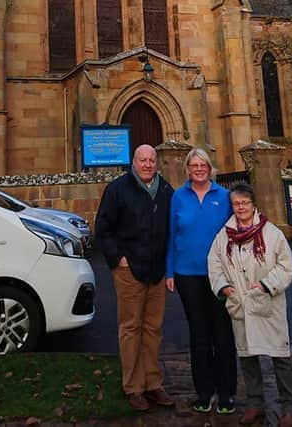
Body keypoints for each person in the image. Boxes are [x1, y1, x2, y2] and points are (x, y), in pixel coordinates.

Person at [208, 183, 292, 427]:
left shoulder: (271, 233)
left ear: (253, 204)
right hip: (241, 305)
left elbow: (285, 266)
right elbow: (214, 263)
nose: (241, 207)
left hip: (267, 304)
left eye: (245, 203)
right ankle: (255, 404)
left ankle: (289, 409)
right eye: (236, 203)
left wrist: (265, 285)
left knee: (280, 356)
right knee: (248, 357)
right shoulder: (224, 235)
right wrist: (224, 287)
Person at [95, 144, 175, 411]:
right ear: (134, 162)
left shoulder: (165, 191)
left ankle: (153, 384)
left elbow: (173, 229)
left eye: (152, 160)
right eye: (143, 160)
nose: (148, 165)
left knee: (153, 329)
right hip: (130, 271)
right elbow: (103, 229)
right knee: (130, 328)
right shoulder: (118, 189)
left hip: (157, 271)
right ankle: (133, 387)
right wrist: (119, 260)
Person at [165, 148, 237, 414]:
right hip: (187, 275)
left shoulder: (224, 196)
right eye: (193, 165)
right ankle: (204, 393)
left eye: (203, 165)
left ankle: (227, 392)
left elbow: (236, 233)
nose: (198, 169)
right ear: (187, 169)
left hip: (219, 276)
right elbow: (171, 234)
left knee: (222, 333)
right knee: (199, 335)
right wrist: (169, 271)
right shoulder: (178, 197)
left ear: (210, 168)